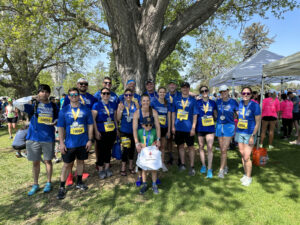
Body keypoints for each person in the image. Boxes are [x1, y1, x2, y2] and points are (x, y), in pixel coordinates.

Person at [14, 84, 58, 196]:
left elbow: (58, 118)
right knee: (35, 162)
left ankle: (48, 182)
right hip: (33, 138)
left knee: (48, 161)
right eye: (42, 91)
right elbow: (16, 103)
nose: (44, 93)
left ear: (49, 93)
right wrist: (31, 97)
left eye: (46, 91)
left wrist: (55, 122)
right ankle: (35, 184)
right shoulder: (33, 105)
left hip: (48, 138)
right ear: (38, 93)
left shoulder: (53, 106)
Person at [56, 88, 94, 199]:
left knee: (81, 162)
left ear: (78, 96)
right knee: (67, 165)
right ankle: (62, 187)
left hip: (83, 142)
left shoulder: (86, 110)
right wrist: (61, 143)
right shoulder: (64, 110)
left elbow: (90, 125)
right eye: (71, 95)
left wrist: (90, 140)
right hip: (69, 143)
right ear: (68, 97)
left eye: (76, 95)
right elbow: (61, 127)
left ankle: (79, 182)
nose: (74, 97)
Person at [62, 78, 97, 185]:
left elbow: (95, 110)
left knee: (81, 158)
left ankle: (79, 176)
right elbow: (64, 114)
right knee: (70, 159)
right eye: (81, 83)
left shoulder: (91, 97)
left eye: (85, 84)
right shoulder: (71, 97)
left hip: (85, 129)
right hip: (72, 131)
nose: (83, 85)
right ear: (77, 84)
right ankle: (69, 176)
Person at [133, 94, 161, 186]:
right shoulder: (137, 113)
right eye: (144, 101)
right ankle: (139, 177)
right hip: (141, 139)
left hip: (151, 138)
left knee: (153, 158)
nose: (145, 102)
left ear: (150, 101)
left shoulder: (154, 112)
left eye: (147, 100)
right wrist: (137, 143)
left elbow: (157, 127)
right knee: (140, 160)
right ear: (141, 102)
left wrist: (158, 139)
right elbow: (134, 129)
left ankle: (155, 178)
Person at [235, 87, 261, 186]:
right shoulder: (240, 103)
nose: (245, 95)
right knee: (242, 154)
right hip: (239, 132)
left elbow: (258, 123)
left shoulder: (255, 105)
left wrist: (253, 135)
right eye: (244, 93)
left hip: (250, 133)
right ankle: (246, 174)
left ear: (251, 94)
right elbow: (239, 115)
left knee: (246, 156)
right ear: (241, 94)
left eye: (248, 93)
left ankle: (249, 177)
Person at [172, 82, 198, 176]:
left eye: (187, 87)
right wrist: (173, 126)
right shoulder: (176, 99)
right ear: (181, 89)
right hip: (178, 127)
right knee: (181, 146)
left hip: (189, 128)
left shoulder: (193, 100)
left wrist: (193, 128)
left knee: (191, 147)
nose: (185, 89)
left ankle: (192, 166)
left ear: (189, 89)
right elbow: (173, 113)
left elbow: (195, 115)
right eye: (183, 87)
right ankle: (182, 164)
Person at [92, 87, 118, 179]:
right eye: (104, 93)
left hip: (111, 131)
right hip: (101, 131)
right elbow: (93, 119)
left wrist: (117, 129)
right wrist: (96, 131)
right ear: (101, 94)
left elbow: (115, 118)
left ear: (110, 95)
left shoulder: (113, 104)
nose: (106, 95)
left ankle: (107, 168)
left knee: (108, 150)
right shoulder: (96, 105)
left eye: (107, 93)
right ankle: (100, 169)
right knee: (101, 151)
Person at [216, 85, 238, 179]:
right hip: (219, 126)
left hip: (229, 126)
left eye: (225, 91)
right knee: (222, 149)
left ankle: (221, 170)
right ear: (220, 93)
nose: (223, 93)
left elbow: (238, 114)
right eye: (221, 92)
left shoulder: (233, 102)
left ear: (228, 91)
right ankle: (225, 166)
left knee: (224, 149)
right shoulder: (218, 101)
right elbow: (215, 112)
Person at [196, 86, 217, 178]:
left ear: (208, 91)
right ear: (200, 92)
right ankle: (203, 165)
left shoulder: (212, 102)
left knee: (209, 147)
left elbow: (216, 114)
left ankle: (209, 169)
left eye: (206, 90)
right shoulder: (197, 102)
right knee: (201, 146)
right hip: (200, 127)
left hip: (210, 128)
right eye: (202, 91)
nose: (204, 92)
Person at [117, 88, 139, 176]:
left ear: (132, 96)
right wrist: (121, 110)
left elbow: (139, 116)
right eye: (126, 95)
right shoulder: (121, 105)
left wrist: (138, 107)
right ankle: (123, 167)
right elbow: (118, 118)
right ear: (124, 96)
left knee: (132, 149)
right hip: (124, 131)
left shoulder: (135, 104)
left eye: (130, 95)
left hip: (133, 131)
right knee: (125, 149)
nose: (128, 96)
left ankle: (130, 166)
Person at [136, 116, 160, 194]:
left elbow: (157, 140)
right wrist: (140, 144)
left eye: (150, 125)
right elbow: (137, 142)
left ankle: (154, 184)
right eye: (146, 125)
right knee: (144, 169)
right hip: (144, 153)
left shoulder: (154, 131)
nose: (148, 127)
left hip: (151, 152)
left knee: (153, 169)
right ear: (142, 125)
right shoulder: (139, 131)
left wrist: (155, 142)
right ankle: (145, 184)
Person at [151, 87, 171, 172]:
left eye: (163, 92)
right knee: (155, 147)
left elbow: (169, 118)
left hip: (164, 128)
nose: (162, 94)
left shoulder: (168, 104)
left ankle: (162, 164)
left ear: (165, 93)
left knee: (162, 146)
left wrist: (169, 130)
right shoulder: (154, 102)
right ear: (158, 93)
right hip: (155, 128)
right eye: (160, 92)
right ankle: (154, 163)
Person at [165, 80, 181, 165]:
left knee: (178, 141)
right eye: (170, 84)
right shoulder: (165, 95)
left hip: (178, 120)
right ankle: (170, 157)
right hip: (167, 120)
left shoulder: (180, 94)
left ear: (176, 86)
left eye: (173, 84)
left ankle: (179, 158)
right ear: (168, 86)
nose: (172, 86)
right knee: (169, 140)